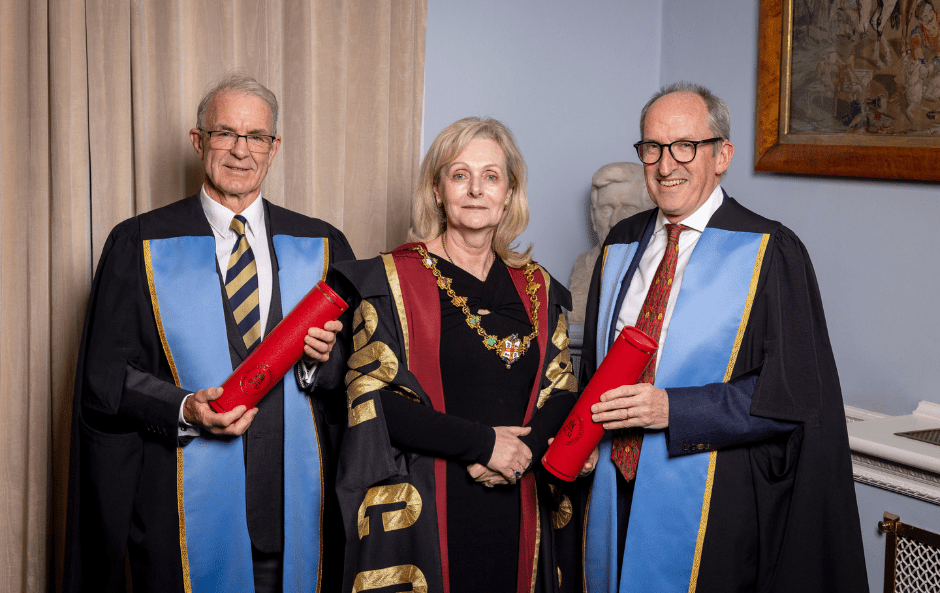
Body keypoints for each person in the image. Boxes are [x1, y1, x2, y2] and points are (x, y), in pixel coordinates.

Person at [64, 71, 355, 593]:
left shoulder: (322, 244)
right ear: (199, 142)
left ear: (274, 147)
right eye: (226, 133)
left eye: (257, 137)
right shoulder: (140, 243)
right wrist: (184, 408)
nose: (242, 151)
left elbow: (356, 375)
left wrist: (318, 360)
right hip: (178, 519)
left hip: (293, 520)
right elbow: (105, 380)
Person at [579, 83, 868, 592]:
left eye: (685, 146)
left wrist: (674, 409)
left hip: (713, 507)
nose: (666, 165)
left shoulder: (770, 251)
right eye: (652, 147)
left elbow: (793, 397)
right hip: (611, 490)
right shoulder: (620, 245)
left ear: (722, 156)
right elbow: (593, 375)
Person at [334, 117, 583, 593]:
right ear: (436, 189)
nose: (476, 190)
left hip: (519, 494)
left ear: (509, 192)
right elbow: (373, 400)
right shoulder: (392, 281)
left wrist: (521, 453)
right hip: (429, 501)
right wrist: (483, 445)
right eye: (459, 174)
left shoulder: (539, 287)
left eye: (491, 176)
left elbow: (562, 390)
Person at [568, 162, 655, 325]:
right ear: (593, 217)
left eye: (628, 209)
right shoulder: (584, 265)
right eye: (606, 209)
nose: (614, 222)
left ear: (650, 216)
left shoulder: (662, 269)